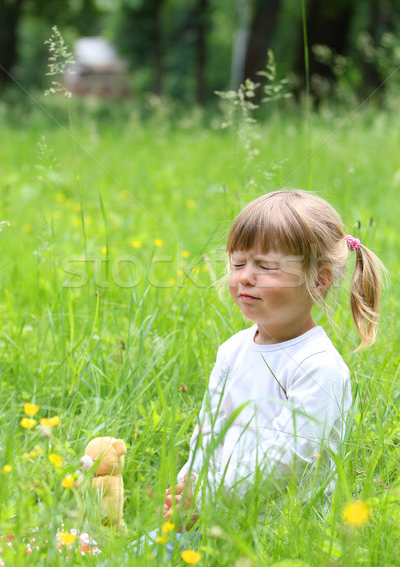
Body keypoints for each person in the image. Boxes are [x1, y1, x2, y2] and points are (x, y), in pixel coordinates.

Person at [137, 190, 384, 557]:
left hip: (280, 532)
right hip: (214, 515)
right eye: (238, 263)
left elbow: (290, 459)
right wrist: (189, 484)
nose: (245, 278)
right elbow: (208, 430)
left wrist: (206, 499)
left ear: (318, 280)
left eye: (266, 267)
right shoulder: (233, 350)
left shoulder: (319, 366)